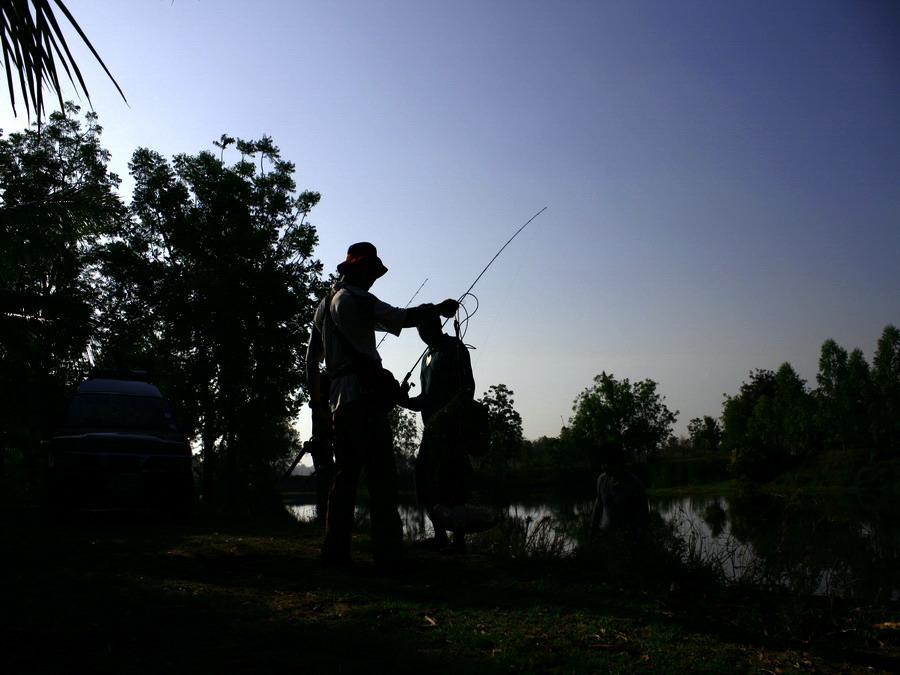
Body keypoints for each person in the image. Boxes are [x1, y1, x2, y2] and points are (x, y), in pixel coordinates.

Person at [306, 242, 458, 567]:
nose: (375, 279)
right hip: (364, 400)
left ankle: (335, 553)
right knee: (382, 480)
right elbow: (403, 318)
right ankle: (388, 557)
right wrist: (438, 308)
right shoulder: (359, 299)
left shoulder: (323, 306)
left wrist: (318, 407)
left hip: (337, 404)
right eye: (372, 272)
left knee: (344, 478)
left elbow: (310, 361)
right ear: (357, 270)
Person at [402, 314, 475, 553]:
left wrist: (447, 417)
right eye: (419, 330)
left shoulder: (454, 348)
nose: (422, 334)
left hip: (453, 429)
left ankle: (459, 541)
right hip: (431, 430)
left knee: (452, 482)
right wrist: (401, 399)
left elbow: (467, 389)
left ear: (437, 325)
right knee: (424, 479)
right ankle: (440, 534)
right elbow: (425, 399)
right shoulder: (426, 357)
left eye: (426, 328)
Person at [589, 441, 650, 541]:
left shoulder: (635, 485)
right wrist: (592, 532)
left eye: (607, 463)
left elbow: (644, 519)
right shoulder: (602, 480)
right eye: (603, 463)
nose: (603, 467)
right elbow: (598, 507)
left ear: (618, 462)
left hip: (628, 544)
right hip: (606, 540)